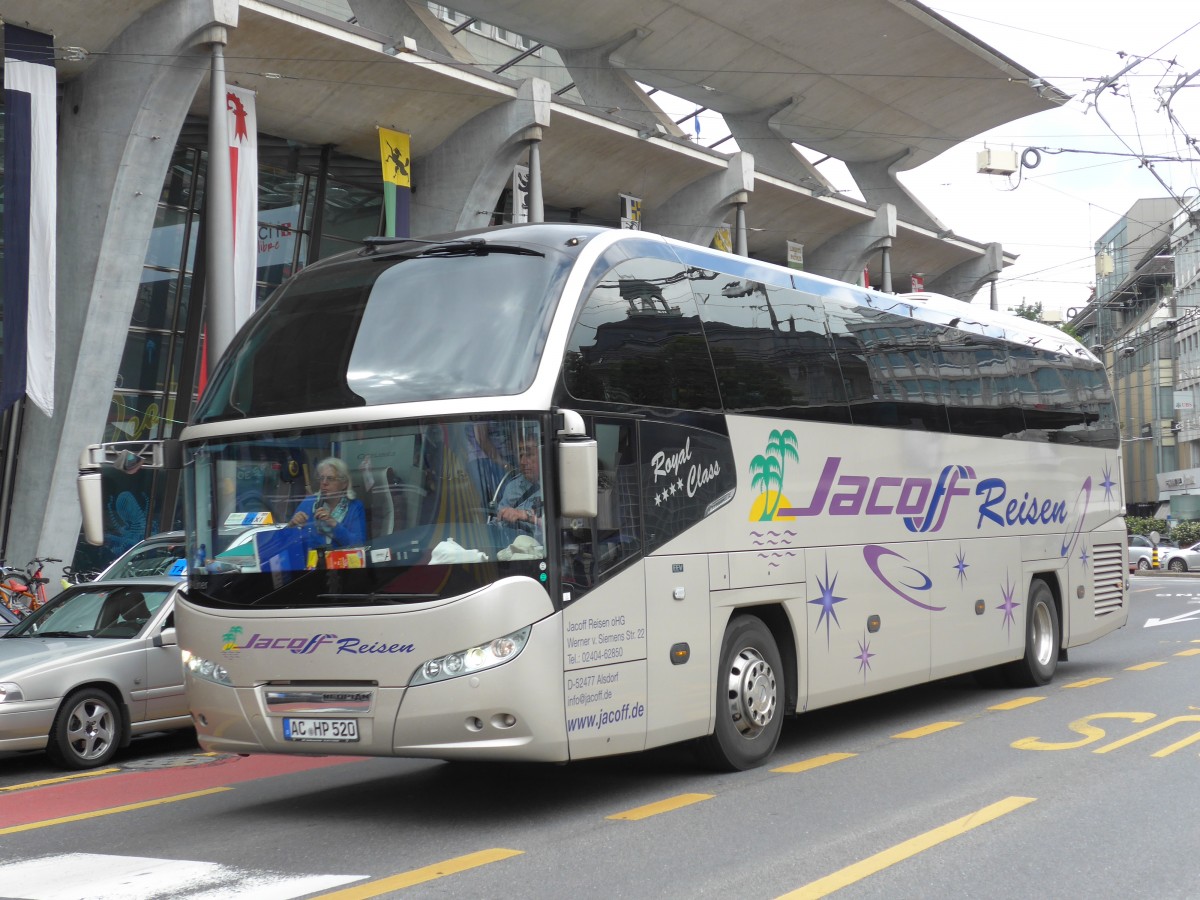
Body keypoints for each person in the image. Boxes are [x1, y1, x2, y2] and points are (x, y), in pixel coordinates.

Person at [288, 457, 366, 549]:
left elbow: (359, 544)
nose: (324, 483)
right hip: (311, 562)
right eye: (322, 478)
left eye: (330, 478)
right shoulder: (308, 503)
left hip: (341, 561)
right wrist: (291, 525)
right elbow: (286, 542)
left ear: (344, 483)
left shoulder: (354, 507)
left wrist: (334, 524)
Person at [495, 438, 543, 538]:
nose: (523, 462)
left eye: (529, 455)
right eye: (521, 455)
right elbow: (499, 522)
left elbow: (556, 526)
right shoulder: (513, 486)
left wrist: (527, 516)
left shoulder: (555, 487)